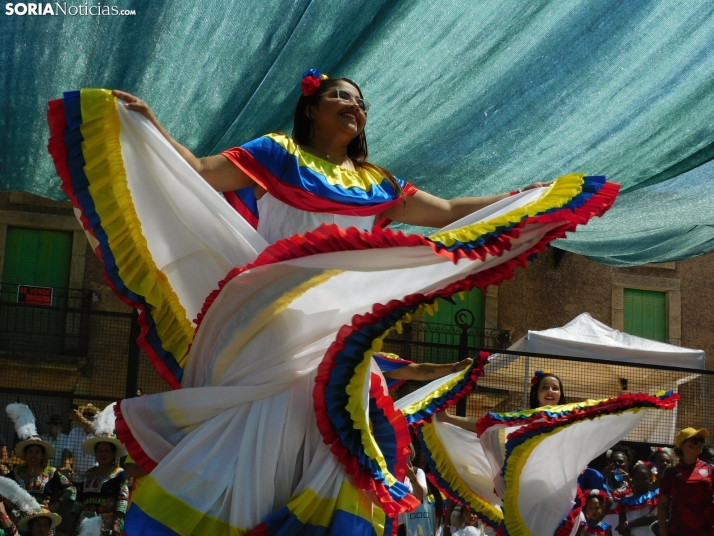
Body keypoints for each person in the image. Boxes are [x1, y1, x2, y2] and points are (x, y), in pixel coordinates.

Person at [47, 72, 620, 534]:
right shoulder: (276, 154)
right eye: (340, 97)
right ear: (312, 110)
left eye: (360, 101)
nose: (354, 106)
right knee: (260, 430)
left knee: (340, 442)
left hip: (343, 342)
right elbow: (197, 173)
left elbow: (447, 215)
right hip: (277, 327)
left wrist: (531, 197)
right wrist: (152, 125)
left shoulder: (376, 182)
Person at [657, 428, 713, 536]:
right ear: (682, 445)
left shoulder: (711, 469)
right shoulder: (670, 473)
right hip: (678, 531)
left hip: (707, 531)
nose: (700, 443)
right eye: (694, 440)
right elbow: (663, 505)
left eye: (701, 440)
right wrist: (663, 531)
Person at [73, 435, 129, 536]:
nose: (103, 454)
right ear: (95, 453)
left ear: (114, 454)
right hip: (85, 522)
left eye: (107, 451)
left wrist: (117, 522)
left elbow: (122, 499)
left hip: (108, 524)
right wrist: (72, 519)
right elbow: (79, 499)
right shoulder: (88, 473)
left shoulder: (119, 473)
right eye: (99, 450)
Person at [615, 463, 658, 536]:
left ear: (650, 479)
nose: (640, 482)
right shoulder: (625, 502)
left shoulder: (655, 496)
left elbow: (652, 517)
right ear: (632, 480)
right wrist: (625, 527)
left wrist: (628, 524)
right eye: (637, 479)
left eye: (644, 478)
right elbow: (621, 527)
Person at [65, 405, 98, 484]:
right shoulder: (75, 431)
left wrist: (80, 419)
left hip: (95, 474)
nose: (86, 416)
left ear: (96, 418)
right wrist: (67, 465)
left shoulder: (98, 433)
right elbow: (67, 450)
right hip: (76, 474)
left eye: (90, 414)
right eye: (84, 414)